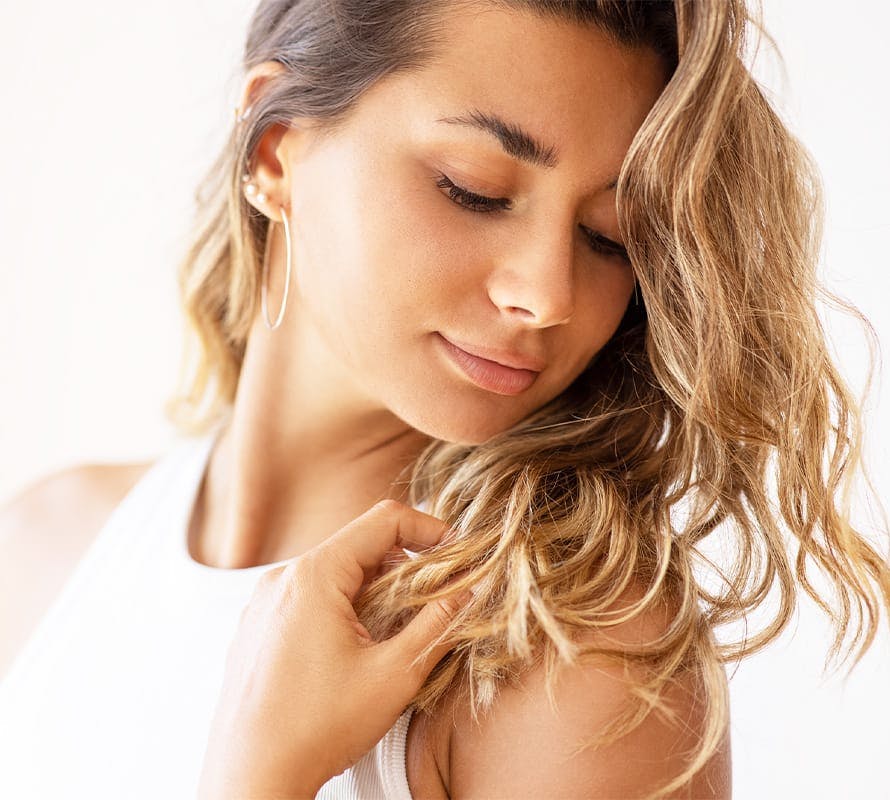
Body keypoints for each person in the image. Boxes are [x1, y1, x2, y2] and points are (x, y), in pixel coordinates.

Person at [1, 0, 887, 798]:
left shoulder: (567, 656)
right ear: (276, 151)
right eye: (475, 188)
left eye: (609, 238)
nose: (548, 295)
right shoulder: (47, 547)